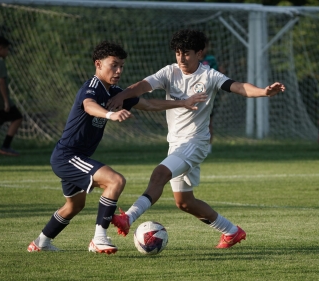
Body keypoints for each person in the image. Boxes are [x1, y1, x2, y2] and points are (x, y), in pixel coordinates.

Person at [108, 29, 285, 249]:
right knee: (184, 202)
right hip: (176, 144)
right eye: (178, 53)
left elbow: (238, 86)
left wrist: (264, 92)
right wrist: (122, 95)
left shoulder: (209, 75)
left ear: (199, 53)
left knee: (159, 173)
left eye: (187, 53)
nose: (181, 58)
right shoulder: (170, 72)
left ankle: (128, 218)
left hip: (195, 143)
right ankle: (232, 231)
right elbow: (142, 86)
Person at [27, 41, 206, 254]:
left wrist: (183, 102)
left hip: (75, 156)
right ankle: (99, 239)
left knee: (74, 206)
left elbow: (148, 105)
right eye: (114, 65)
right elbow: (88, 106)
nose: (119, 71)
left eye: (121, 66)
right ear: (98, 64)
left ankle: (40, 243)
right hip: (68, 156)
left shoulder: (115, 92)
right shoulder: (92, 87)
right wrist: (110, 114)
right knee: (116, 180)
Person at [199, 37, 224, 154]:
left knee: (208, 122)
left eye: (204, 47)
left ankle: (208, 148)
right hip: (193, 97)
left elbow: (214, 75)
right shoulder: (191, 60)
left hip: (208, 97)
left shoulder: (210, 59)